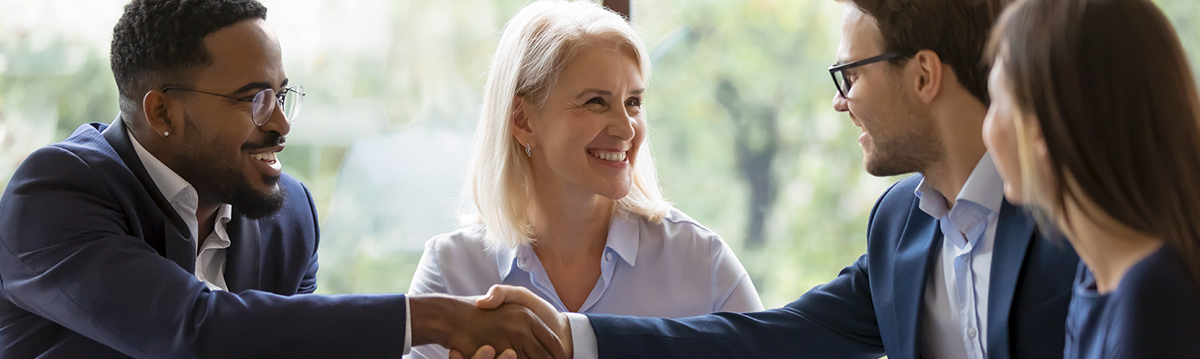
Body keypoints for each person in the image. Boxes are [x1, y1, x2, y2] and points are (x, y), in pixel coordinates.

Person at [464, 0, 1083, 358]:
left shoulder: (1082, 212)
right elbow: (773, 340)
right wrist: (569, 337)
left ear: (923, 76)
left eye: (851, 76)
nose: (840, 102)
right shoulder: (901, 226)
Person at [0, 1, 565, 358]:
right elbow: (195, 332)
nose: (281, 123)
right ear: (162, 112)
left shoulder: (289, 213)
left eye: (282, 93)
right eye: (254, 99)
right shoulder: (53, 195)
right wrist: (437, 319)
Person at [408, 1, 762, 358]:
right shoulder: (451, 271)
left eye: (633, 102)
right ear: (523, 120)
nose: (626, 129)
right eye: (596, 102)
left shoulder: (701, 261)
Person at [983, 0, 1200, 357]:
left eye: (994, 100)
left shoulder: (1152, 299)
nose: (986, 127)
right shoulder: (1097, 274)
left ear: (1041, 130)